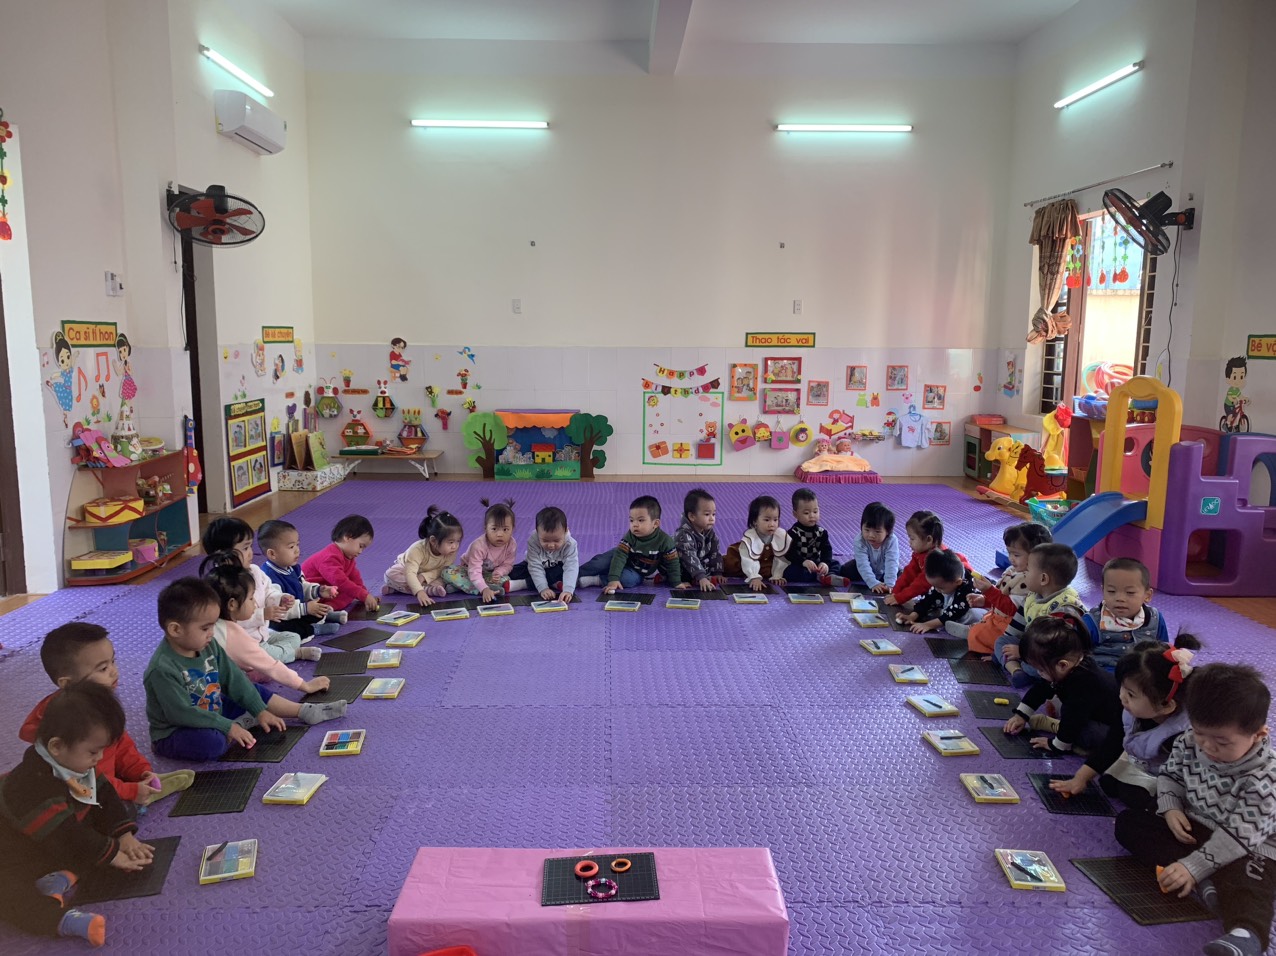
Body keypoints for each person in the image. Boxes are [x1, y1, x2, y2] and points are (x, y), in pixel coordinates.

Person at [1115, 663, 1276, 956]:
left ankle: (1246, 935)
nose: (1208, 747)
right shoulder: (1190, 741)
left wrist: (1194, 866)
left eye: (1222, 742)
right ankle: (1205, 882)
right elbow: (1170, 775)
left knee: (1252, 880)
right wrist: (1171, 807)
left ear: (1258, 735)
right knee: (1129, 823)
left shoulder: (1265, 779)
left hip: (1249, 845)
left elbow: (1240, 836)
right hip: (1197, 824)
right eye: (1201, 734)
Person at [0, 683, 151, 946]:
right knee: (9, 895)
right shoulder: (31, 786)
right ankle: (62, 920)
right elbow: (67, 835)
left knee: (106, 821)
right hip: (10, 851)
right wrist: (112, 853)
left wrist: (124, 835)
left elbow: (105, 795)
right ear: (56, 746)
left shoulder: (71, 762)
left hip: (45, 841)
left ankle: (54, 878)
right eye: (93, 752)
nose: (99, 758)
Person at [143, 578, 346, 762]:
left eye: (213, 626)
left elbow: (234, 680)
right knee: (213, 744)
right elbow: (183, 714)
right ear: (175, 629)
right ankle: (234, 725)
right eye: (205, 628)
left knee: (252, 691)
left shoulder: (209, 645)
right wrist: (228, 726)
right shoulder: (162, 669)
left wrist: (259, 710)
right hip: (179, 728)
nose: (211, 633)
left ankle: (301, 711)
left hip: (211, 708)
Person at [19, 623, 193, 808]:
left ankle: (142, 788)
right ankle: (139, 797)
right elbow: (89, 780)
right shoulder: (73, 724)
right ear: (68, 684)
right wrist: (130, 791)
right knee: (117, 812)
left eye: (113, 661)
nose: (114, 671)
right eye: (103, 669)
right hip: (82, 791)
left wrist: (141, 771)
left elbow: (121, 744)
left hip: (106, 778)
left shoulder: (100, 704)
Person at [1002, 615, 1125, 796]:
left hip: (1113, 728)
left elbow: (1074, 719)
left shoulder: (1084, 683)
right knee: (1062, 704)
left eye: (1040, 670)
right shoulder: (1071, 667)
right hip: (1089, 712)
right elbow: (1041, 688)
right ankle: (1056, 726)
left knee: (1086, 732)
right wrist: (1021, 715)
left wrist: (1056, 745)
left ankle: (1055, 727)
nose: (1039, 673)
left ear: (1062, 665)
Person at [204, 564, 336, 700]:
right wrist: (305, 686)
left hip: (209, 682)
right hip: (208, 694)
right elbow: (271, 666)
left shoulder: (214, 621)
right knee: (260, 696)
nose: (255, 603)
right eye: (251, 598)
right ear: (232, 604)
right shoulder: (234, 636)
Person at [1102, 635, 1201, 811]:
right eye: (1123, 687)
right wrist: (1082, 777)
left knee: (1139, 799)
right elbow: (1113, 740)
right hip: (1146, 765)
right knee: (1108, 781)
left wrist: (1171, 805)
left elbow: (1188, 780)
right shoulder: (1134, 708)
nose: (1122, 696)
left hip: (1177, 782)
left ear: (1166, 705)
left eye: (1131, 694)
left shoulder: (1180, 737)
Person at [202, 517, 320, 661]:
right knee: (266, 655)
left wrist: (279, 598)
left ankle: (280, 653)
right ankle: (295, 654)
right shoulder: (222, 584)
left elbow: (269, 591)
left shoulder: (254, 571)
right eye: (245, 548)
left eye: (250, 546)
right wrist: (262, 615)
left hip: (263, 634)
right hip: (242, 643)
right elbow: (229, 622)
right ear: (223, 554)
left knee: (293, 637)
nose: (251, 553)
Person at [994, 542, 1085, 688]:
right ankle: (1016, 670)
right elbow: (1017, 625)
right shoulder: (1032, 596)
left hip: (1052, 656)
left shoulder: (1064, 608)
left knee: (1037, 666)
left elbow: (1058, 649)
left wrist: (1022, 653)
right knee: (1001, 642)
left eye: (1028, 571)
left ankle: (1016, 666)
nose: (1024, 574)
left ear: (1043, 579)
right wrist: (1007, 647)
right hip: (1031, 647)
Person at [952, 521, 1052, 651]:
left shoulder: (1031, 581)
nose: (1011, 558)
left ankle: (973, 633)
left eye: (1016, 555)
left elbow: (1012, 609)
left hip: (1012, 626)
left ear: (1036, 556)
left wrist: (989, 591)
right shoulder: (1012, 570)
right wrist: (984, 600)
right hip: (999, 616)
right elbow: (1002, 594)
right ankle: (976, 629)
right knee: (984, 617)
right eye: (1009, 553)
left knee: (980, 634)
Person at [258, 519, 346, 637]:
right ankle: (313, 629)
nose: (297, 550)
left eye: (297, 544)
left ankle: (326, 615)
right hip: (282, 617)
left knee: (316, 608)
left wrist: (318, 590)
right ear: (272, 554)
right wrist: (305, 609)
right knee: (282, 628)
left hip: (297, 610)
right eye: (291, 547)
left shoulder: (292, 568)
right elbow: (278, 608)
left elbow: (301, 586)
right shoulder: (268, 577)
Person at [1082, 557, 1170, 672]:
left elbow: (1163, 651)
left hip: (1142, 675)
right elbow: (1076, 655)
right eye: (1111, 591)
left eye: (1130, 592)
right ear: (1103, 591)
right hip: (1105, 675)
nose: (1120, 598)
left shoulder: (1155, 619)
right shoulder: (1091, 621)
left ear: (1147, 595)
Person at [580, 495, 682, 594]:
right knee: (600, 562)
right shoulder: (630, 536)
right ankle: (574, 575)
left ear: (655, 524)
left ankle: (595, 580)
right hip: (620, 556)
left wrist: (676, 582)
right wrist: (614, 578)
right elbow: (619, 556)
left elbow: (673, 563)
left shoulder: (665, 541)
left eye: (641, 520)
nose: (635, 524)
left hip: (637, 571)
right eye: (631, 520)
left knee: (628, 580)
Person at [883, 511, 971, 607]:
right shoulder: (920, 553)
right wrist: (895, 592)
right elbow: (909, 573)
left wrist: (900, 598)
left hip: (960, 591)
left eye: (912, 538)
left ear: (929, 540)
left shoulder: (936, 559)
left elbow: (921, 583)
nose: (909, 542)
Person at [381, 507, 463, 606]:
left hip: (430, 575)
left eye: (458, 541)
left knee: (448, 575)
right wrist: (420, 592)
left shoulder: (451, 551)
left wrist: (424, 576)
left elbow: (442, 570)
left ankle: (396, 588)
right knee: (390, 574)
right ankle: (428, 590)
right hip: (406, 569)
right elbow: (410, 573)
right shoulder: (417, 549)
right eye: (451, 542)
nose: (455, 546)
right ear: (433, 541)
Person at [440, 499, 517, 603]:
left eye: (505, 529)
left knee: (506, 579)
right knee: (447, 572)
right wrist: (484, 589)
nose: (500, 534)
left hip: (489, 573)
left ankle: (461, 587)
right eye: (494, 529)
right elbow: (474, 570)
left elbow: (508, 565)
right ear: (486, 528)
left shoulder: (511, 544)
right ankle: (484, 589)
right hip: (468, 570)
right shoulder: (479, 546)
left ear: (512, 529)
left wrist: (498, 573)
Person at [301, 514, 379, 613]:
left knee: (351, 592)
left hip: (327, 590)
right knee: (348, 590)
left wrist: (366, 596)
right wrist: (363, 595)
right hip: (309, 593)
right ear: (347, 537)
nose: (360, 552)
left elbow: (356, 580)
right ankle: (325, 609)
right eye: (360, 546)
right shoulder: (329, 557)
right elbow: (339, 581)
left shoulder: (348, 557)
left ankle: (328, 608)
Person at [507, 506, 581, 603]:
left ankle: (524, 584)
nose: (551, 545)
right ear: (537, 532)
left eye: (556, 540)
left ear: (566, 531)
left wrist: (568, 590)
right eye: (545, 540)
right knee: (513, 572)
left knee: (566, 573)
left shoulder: (570, 544)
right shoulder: (533, 541)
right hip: (533, 566)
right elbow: (534, 566)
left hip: (556, 569)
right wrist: (543, 588)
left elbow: (571, 567)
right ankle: (553, 583)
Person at [896, 549, 977, 634]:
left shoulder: (968, 587)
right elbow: (928, 599)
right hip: (951, 605)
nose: (937, 589)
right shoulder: (943, 582)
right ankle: (945, 621)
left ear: (958, 582)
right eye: (934, 586)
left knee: (972, 615)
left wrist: (927, 625)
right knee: (932, 605)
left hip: (969, 609)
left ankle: (968, 630)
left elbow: (955, 612)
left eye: (940, 588)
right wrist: (912, 616)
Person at [722, 495, 791, 592]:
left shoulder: (779, 536)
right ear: (755, 521)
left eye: (775, 519)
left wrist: (777, 575)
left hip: (764, 567)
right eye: (767, 520)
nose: (772, 524)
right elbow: (748, 560)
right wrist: (754, 577)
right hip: (740, 563)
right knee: (727, 565)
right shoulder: (750, 539)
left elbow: (781, 557)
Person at [786, 488, 848, 586]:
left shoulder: (821, 532)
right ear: (795, 514)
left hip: (816, 563)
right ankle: (819, 577)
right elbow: (790, 553)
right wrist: (803, 562)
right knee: (789, 571)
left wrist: (824, 563)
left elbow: (827, 550)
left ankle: (829, 575)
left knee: (835, 564)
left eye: (815, 511)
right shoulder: (793, 533)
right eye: (806, 513)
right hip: (800, 563)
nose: (812, 516)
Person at [839, 501, 899, 594]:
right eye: (867, 530)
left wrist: (889, 584)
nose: (871, 535)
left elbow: (891, 562)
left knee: (900, 573)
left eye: (877, 532)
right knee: (846, 570)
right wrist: (873, 583)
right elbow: (862, 564)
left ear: (888, 532)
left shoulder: (891, 540)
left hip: (884, 569)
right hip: (862, 569)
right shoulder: (859, 540)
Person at [674, 488, 725, 592]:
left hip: (696, 566)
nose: (712, 518)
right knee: (677, 569)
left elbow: (715, 553)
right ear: (692, 516)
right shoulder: (683, 535)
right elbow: (689, 557)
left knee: (707, 564)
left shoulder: (709, 533)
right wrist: (702, 577)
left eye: (713, 514)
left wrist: (717, 572)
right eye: (707, 514)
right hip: (681, 565)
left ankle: (699, 576)